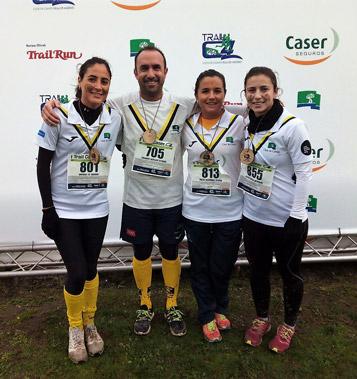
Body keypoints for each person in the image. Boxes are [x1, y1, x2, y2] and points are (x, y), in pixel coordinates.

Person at [42, 46, 195, 337]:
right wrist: (49, 106)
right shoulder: (118, 105)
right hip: (136, 199)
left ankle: (172, 303)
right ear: (135, 73)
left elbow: (217, 106)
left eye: (156, 68)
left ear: (165, 72)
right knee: (140, 251)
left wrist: (263, 106)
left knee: (171, 251)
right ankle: (145, 303)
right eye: (144, 68)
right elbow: (82, 104)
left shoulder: (184, 104)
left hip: (171, 199)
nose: (151, 74)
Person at [36, 57, 122, 363]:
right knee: (76, 271)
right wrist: (47, 208)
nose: (98, 86)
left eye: (104, 81)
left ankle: (89, 322)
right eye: (93, 79)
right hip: (65, 210)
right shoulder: (59, 115)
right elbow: (43, 163)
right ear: (81, 80)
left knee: (91, 268)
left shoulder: (115, 118)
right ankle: (74, 327)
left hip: (97, 209)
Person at [237, 66, 312, 353]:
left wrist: (296, 214)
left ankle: (289, 324)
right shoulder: (247, 122)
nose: (257, 96)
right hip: (254, 216)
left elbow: (305, 173)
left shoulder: (292, 126)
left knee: (289, 273)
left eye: (263, 89)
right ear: (245, 94)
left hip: (286, 219)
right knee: (258, 272)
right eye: (251, 90)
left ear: (275, 91)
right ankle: (262, 318)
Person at [182, 69, 245, 342]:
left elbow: (266, 111)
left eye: (217, 91)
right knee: (200, 266)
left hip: (230, 210)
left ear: (225, 94)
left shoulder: (240, 124)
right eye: (205, 91)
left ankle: (221, 306)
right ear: (196, 95)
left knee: (222, 265)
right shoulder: (186, 125)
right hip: (195, 209)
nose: (211, 96)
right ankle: (207, 314)